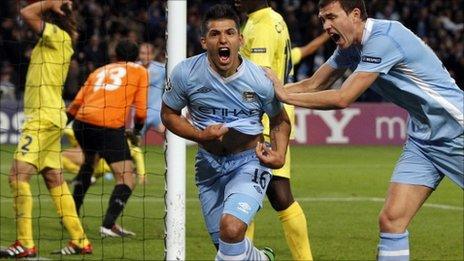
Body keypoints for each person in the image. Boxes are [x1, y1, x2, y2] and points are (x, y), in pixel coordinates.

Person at [266, 0, 464, 260]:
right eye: (322, 19)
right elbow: (314, 84)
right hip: (423, 139)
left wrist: (283, 95)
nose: (326, 26)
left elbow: (342, 98)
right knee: (392, 220)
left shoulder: (384, 39)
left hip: (456, 131)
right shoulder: (350, 48)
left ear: (355, 14)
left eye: (331, 17)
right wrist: (263, 93)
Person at [161, 4, 291, 260]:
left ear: (240, 39)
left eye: (230, 33)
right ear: (203, 42)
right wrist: (199, 136)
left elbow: (280, 120)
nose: (223, 39)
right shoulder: (185, 74)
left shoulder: (259, 80)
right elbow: (168, 114)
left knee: (231, 229)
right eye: (215, 34)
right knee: (226, 245)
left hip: (248, 162)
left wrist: (280, 154)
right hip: (208, 167)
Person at [0, 1, 93, 258]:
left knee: (17, 176)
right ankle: (80, 240)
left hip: (42, 118)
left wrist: (51, 2)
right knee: (54, 178)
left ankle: (24, 242)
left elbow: (26, 12)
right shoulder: (59, 40)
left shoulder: (57, 36)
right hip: (50, 116)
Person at [235, 1, 325, 260]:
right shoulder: (262, 20)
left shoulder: (263, 24)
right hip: (267, 119)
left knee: (258, 191)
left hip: (262, 119)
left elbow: (259, 78)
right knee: (276, 193)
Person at [67, 39, 148, 237]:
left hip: (81, 123)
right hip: (107, 126)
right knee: (127, 178)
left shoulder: (99, 70)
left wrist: (63, 123)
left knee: (89, 164)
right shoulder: (139, 71)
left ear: (115, 56)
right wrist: (136, 131)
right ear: (137, 57)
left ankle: (71, 216)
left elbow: (76, 103)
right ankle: (108, 225)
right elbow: (142, 111)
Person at [61, 126, 147, 185]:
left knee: (63, 158)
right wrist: (142, 176)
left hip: (98, 162)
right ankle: (87, 179)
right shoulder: (135, 149)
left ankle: (84, 179)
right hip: (109, 167)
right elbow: (140, 163)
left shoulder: (115, 140)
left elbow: (70, 131)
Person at [138, 42, 166, 134]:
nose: (144, 56)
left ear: (153, 55)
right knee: (135, 141)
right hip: (139, 112)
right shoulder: (133, 67)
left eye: (148, 53)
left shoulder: (161, 68)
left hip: (156, 112)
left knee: (168, 136)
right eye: (142, 53)